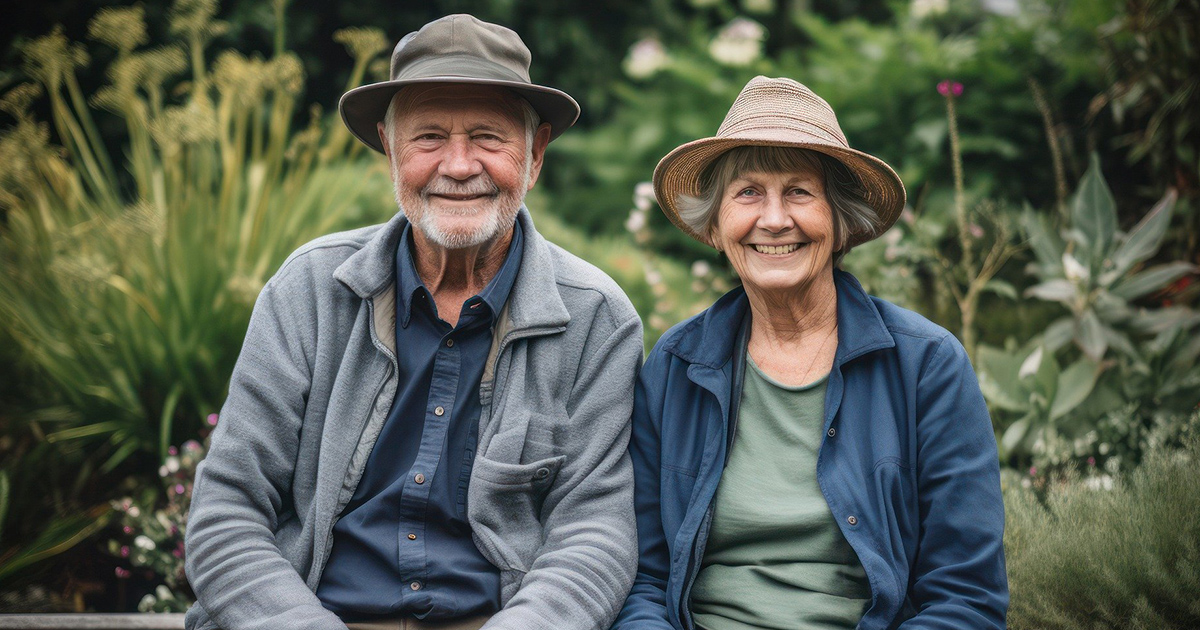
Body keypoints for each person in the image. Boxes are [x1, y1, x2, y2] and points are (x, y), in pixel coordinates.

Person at [184, 15, 643, 630]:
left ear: (534, 156)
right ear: (390, 150)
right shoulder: (309, 290)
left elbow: (594, 535)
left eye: (488, 137)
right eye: (428, 137)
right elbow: (226, 512)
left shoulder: (596, 317)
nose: (458, 165)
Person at [612, 76, 1007, 630]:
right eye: (748, 193)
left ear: (840, 221)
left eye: (799, 191)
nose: (774, 219)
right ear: (716, 227)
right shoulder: (676, 367)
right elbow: (643, 579)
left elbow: (965, 596)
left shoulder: (927, 366)